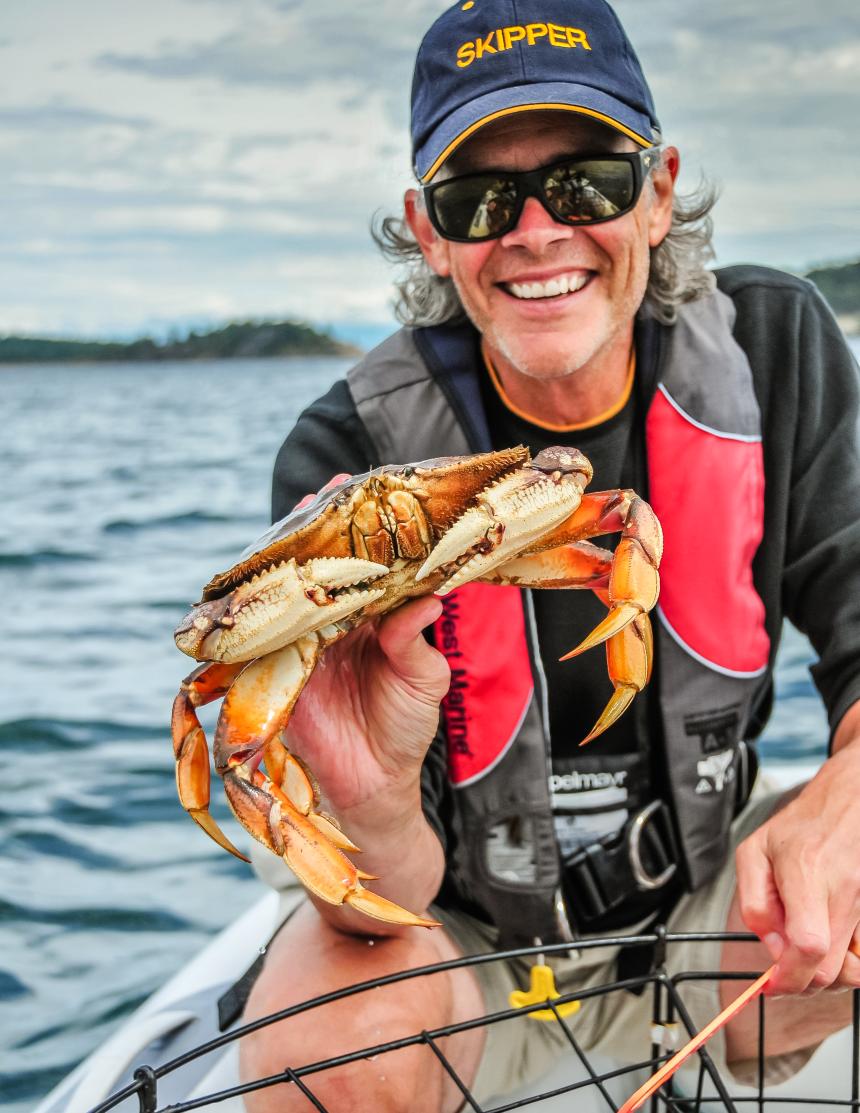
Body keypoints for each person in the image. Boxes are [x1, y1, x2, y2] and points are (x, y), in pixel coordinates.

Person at [238, 2, 860, 1109]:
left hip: (721, 917)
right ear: (427, 232)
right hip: (461, 943)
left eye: (586, 182)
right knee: (318, 1053)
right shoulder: (350, 468)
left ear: (658, 190)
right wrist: (367, 802)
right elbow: (381, 893)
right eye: (477, 199)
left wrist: (844, 795)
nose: (535, 230)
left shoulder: (771, 349)